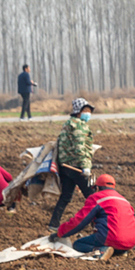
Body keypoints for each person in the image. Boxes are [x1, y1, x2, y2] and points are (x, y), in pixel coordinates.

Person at [53, 174, 135, 259]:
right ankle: (120, 252)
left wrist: (61, 232)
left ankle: (100, 251)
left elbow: (80, 221)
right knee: (111, 239)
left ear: (97, 188)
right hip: (131, 241)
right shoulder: (124, 200)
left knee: (78, 244)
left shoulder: (97, 197)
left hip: (111, 237)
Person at [48, 98, 96, 232]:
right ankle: (98, 223)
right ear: (79, 112)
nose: (89, 114)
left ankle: (53, 224)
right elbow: (79, 148)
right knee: (92, 196)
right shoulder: (78, 126)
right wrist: (85, 166)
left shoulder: (68, 124)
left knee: (66, 196)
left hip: (66, 167)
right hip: (76, 167)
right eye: (86, 111)